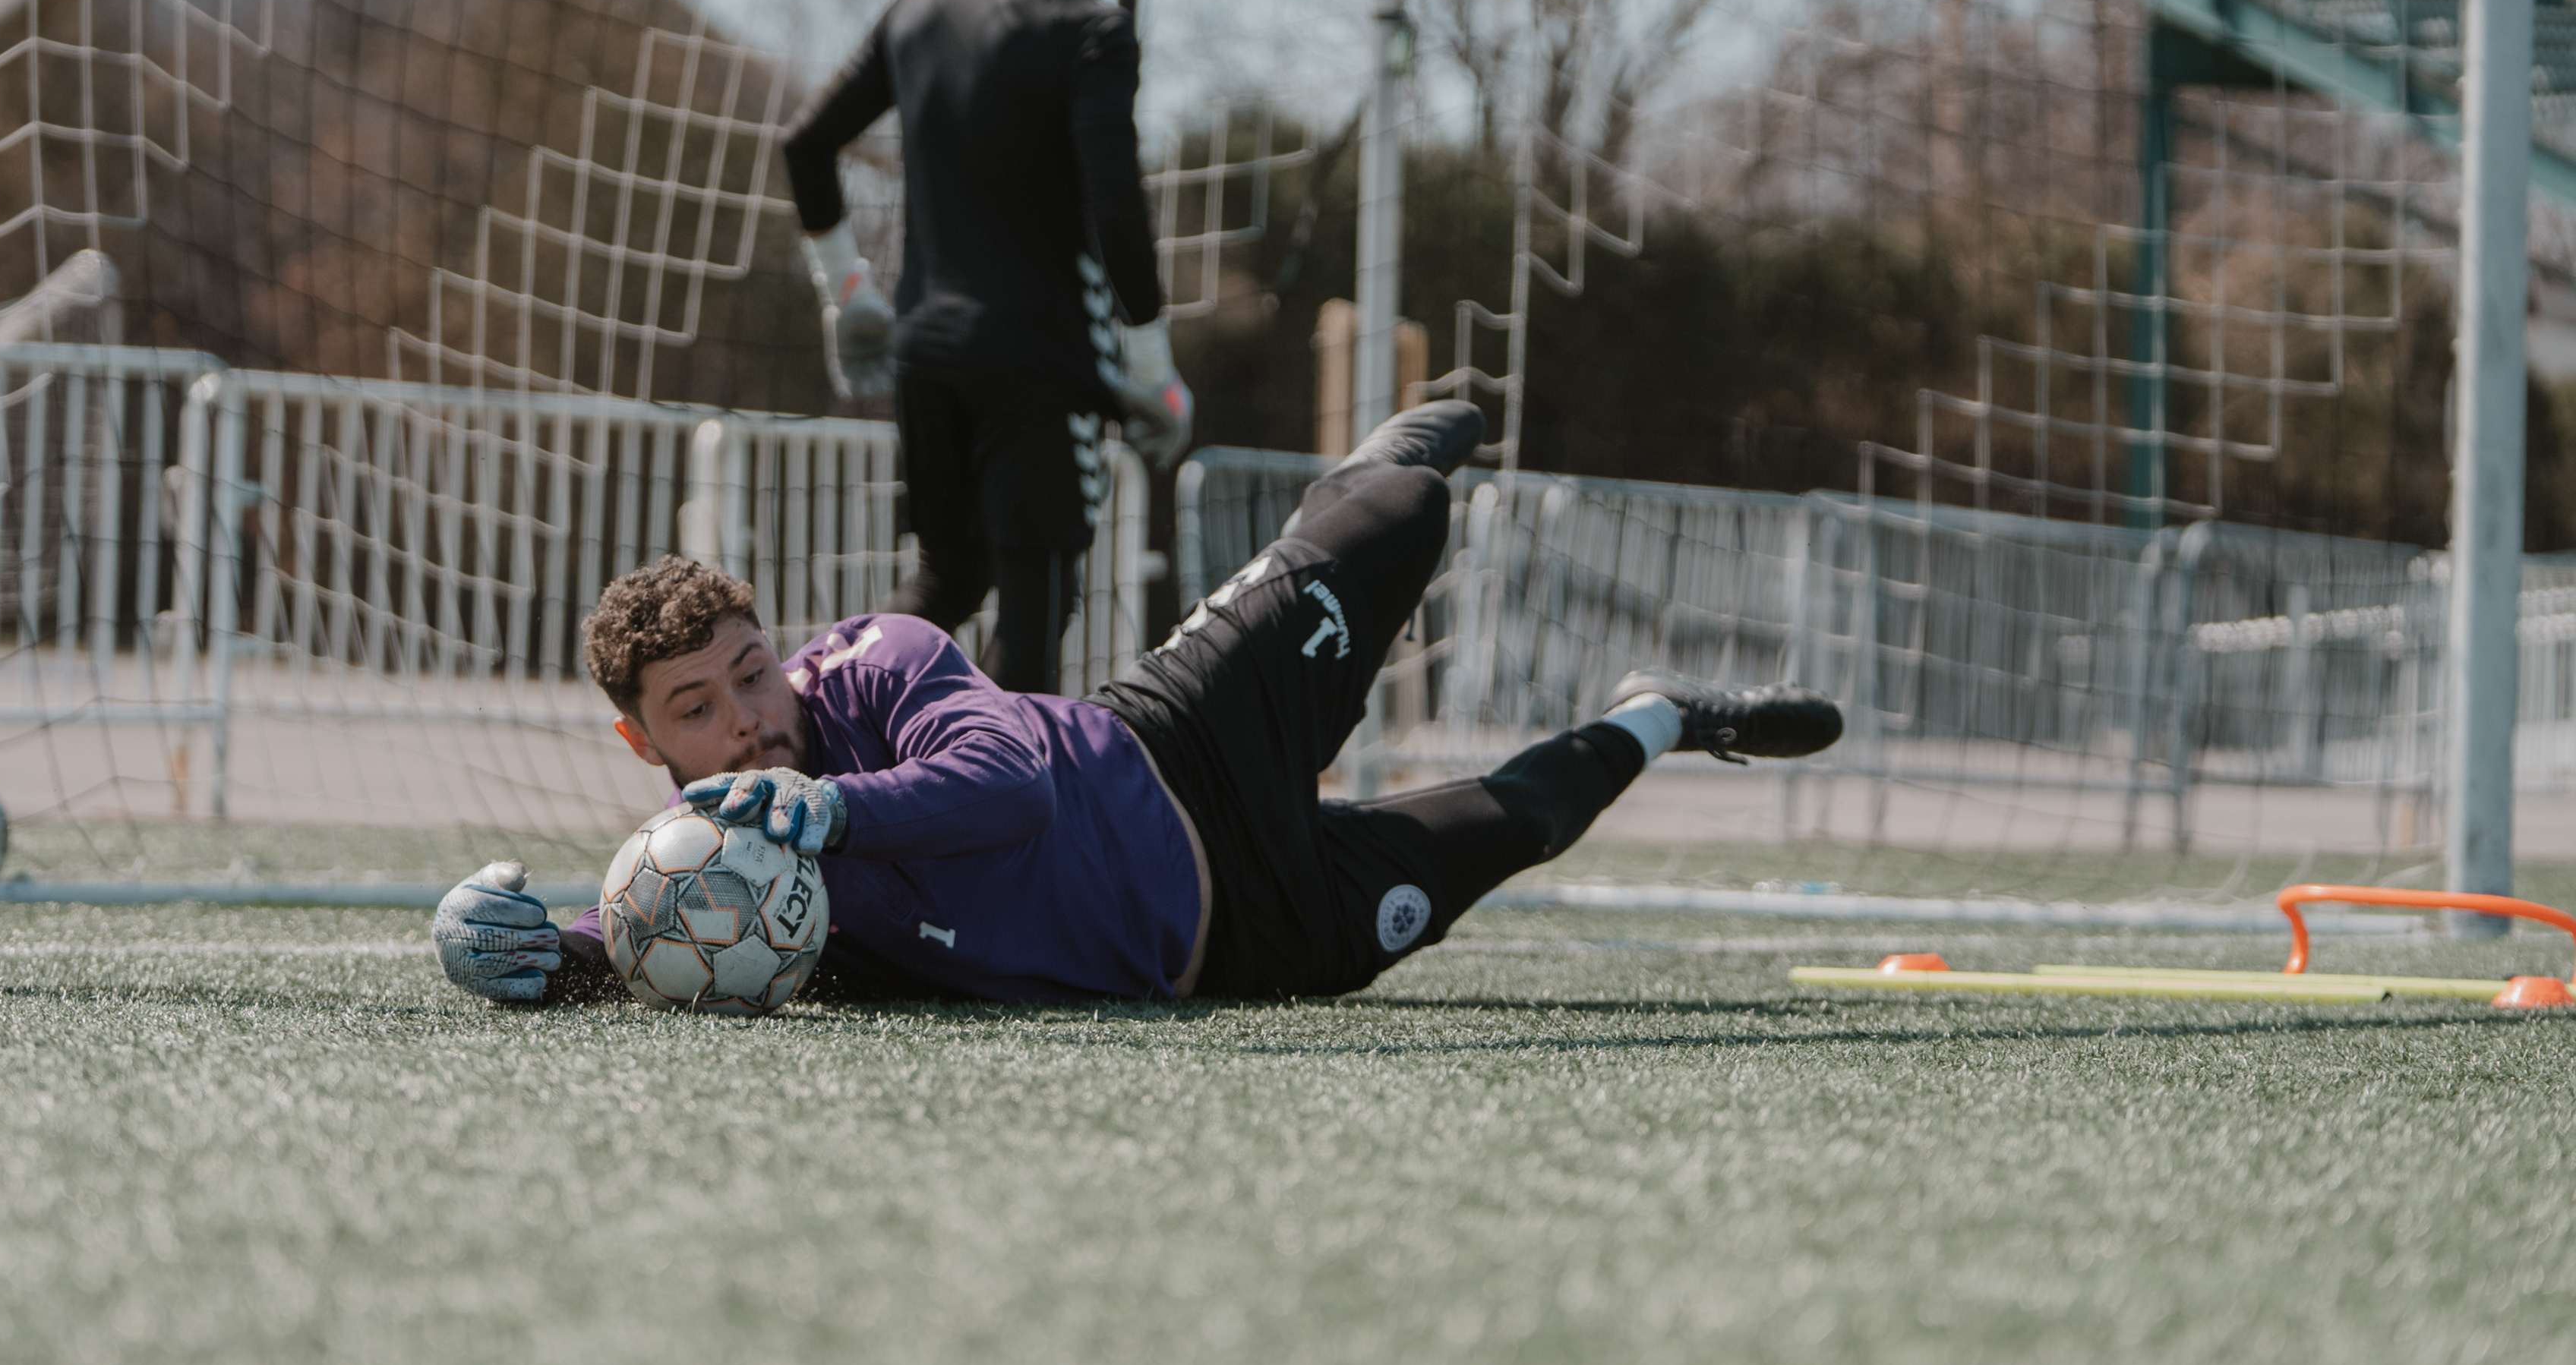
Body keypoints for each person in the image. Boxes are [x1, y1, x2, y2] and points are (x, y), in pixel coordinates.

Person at [431, 403, 1843, 1007]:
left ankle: (1363, 474)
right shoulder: (710, 864)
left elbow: (1010, 784)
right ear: (643, 742)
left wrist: (833, 806)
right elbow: (648, 941)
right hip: (1250, 945)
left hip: (1181, 740)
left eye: (752, 670)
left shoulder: (877, 662)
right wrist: (524, 948)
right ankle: (1668, 715)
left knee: (1405, 512)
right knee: (1520, 820)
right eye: (697, 709)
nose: (746, 717)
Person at [777, 0, 1192, 694]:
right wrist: (1152, 363)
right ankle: (994, 782)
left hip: (927, 354)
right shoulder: (1091, 28)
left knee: (949, 578)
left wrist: (848, 289)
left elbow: (806, 143)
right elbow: (1115, 203)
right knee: (1039, 604)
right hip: (1038, 363)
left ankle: (813, 729)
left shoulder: (923, 3)